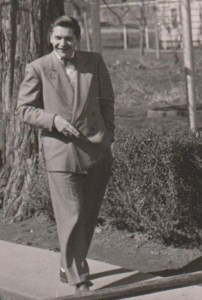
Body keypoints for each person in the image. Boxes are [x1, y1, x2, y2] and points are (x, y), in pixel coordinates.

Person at [16, 15, 114, 293]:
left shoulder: (94, 62)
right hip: (60, 152)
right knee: (71, 213)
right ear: (50, 38)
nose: (62, 43)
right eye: (57, 37)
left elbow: (107, 101)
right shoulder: (38, 67)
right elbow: (23, 109)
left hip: (96, 149)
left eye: (68, 38)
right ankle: (78, 278)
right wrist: (53, 120)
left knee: (88, 216)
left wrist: (110, 136)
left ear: (77, 39)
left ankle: (66, 264)